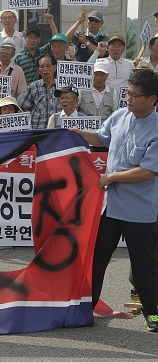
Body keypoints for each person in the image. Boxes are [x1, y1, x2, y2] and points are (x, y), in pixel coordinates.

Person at [70, 70, 158, 333]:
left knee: (144, 265)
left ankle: (153, 313)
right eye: (127, 93)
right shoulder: (120, 116)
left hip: (139, 208)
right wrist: (80, 134)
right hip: (110, 206)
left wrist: (111, 177)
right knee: (96, 258)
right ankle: (86, 305)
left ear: (153, 99)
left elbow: (147, 172)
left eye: (135, 95)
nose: (129, 98)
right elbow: (101, 138)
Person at [18, 55, 61, 129]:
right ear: (38, 70)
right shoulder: (33, 86)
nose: (45, 69)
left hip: (57, 130)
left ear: (55, 67)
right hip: (38, 130)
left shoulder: (62, 87)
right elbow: (24, 108)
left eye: (48, 66)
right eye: (42, 67)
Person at [93, 35, 135, 110]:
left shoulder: (130, 65)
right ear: (108, 47)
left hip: (124, 103)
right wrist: (97, 51)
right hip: (105, 102)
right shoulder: (100, 62)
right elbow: (86, 68)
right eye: (113, 45)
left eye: (119, 46)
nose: (116, 49)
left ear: (124, 48)